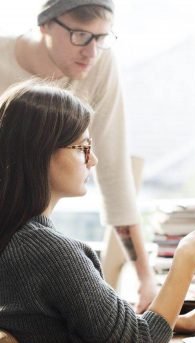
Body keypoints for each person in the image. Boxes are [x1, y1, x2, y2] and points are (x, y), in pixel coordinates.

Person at [0, 80, 195, 342]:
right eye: (83, 148)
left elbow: (67, 326)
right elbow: (138, 340)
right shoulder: (52, 254)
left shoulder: (15, 237)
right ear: (40, 153)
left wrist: (176, 321)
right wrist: (186, 258)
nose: (93, 160)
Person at [0, 0, 157, 313]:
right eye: (80, 36)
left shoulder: (99, 62)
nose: (92, 52)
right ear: (45, 24)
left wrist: (145, 278)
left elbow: (113, 171)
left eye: (102, 38)